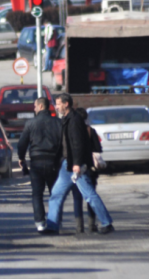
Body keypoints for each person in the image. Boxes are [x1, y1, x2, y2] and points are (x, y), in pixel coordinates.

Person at [42, 93, 114, 235]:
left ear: (66, 104)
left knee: (89, 195)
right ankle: (52, 226)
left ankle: (107, 223)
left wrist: (77, 163)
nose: (56, 107)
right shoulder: (67, 119)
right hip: (66, 166)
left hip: (75, 166)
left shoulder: (74, 120)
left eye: (58, 104)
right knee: (56, 194)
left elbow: (78, 144)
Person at [17, 97, 62, 232]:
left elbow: (22, 143)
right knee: (55, 194)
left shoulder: (30, 123)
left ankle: (40, 223)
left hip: (36, 162)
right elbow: (63, 142)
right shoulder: (58, 122)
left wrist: (21, 158)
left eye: (35, 106)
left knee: (37, 194)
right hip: (53, 162)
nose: (34, 108)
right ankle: (55, 221)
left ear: (41, 106)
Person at [72, 107, 102, 232]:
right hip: (89, 168)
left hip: (75, 167)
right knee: (90, 196)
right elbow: (98, 149)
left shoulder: (72, 131)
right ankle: (91, 225)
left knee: (77, 197)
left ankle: (79, 227)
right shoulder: (91, 131)